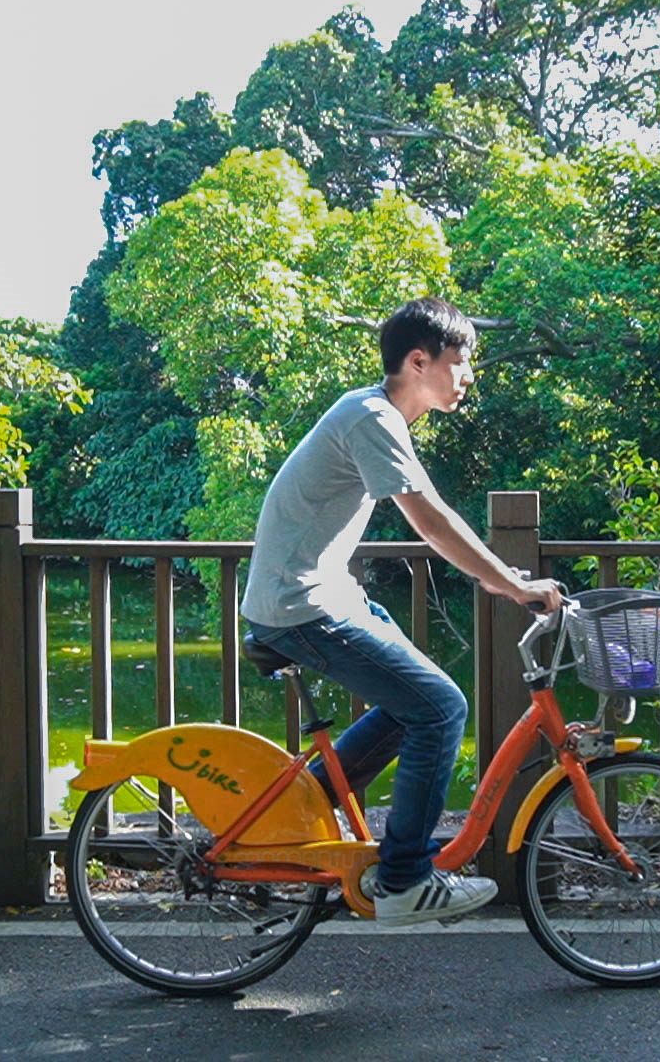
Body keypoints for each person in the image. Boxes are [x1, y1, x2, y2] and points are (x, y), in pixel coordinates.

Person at [241, 296, 565, 927]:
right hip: (298, 607)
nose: (468, 374)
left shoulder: (376, 415)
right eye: (460, 360)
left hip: (320, 597)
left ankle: (302, 816)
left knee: (414, 705)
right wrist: (508, 584)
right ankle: (405, 881)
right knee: (441, 708)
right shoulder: (372, 417)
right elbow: (430, 520)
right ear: (419, 361)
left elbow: (432, 512)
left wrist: (506, 578)